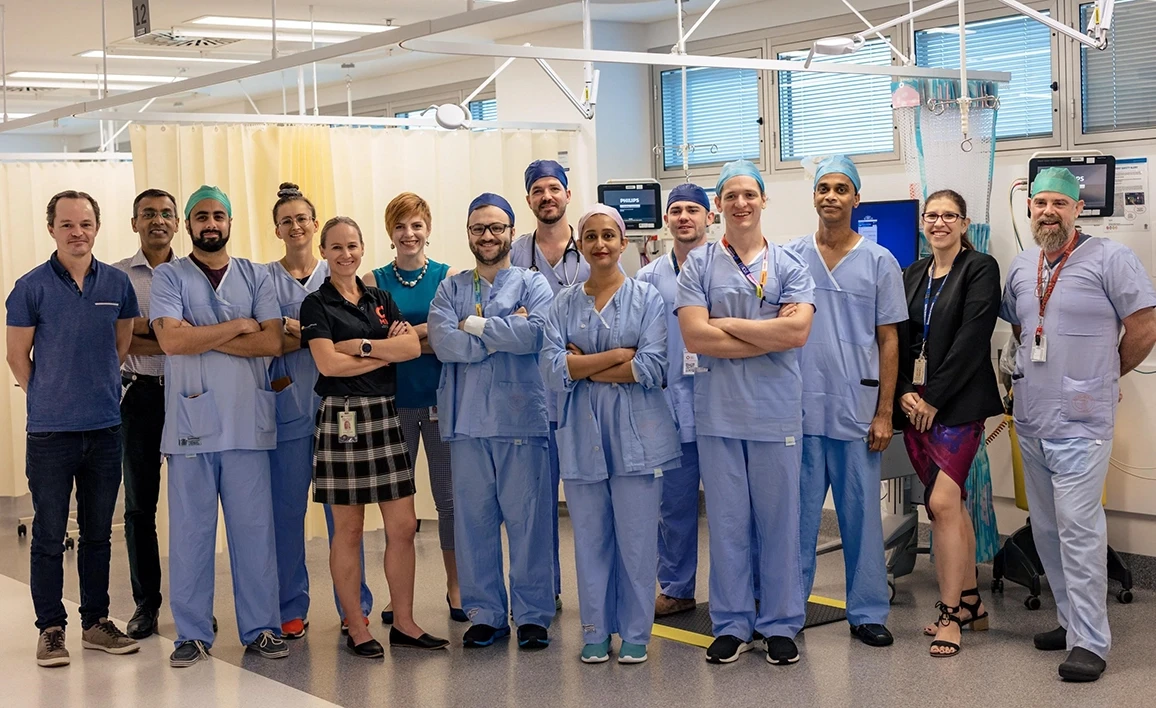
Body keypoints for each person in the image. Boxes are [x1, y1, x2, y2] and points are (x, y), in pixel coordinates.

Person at [1001, 167, 1156, 682]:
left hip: (1083, 423)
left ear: (1078, 209)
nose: (1048, 212)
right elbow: (1024, 326)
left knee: (1079, 531)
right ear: (1030, 209)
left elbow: (1145, 325)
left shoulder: (1112, 258)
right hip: (1032, 418)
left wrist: (1107, 372)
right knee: (1046, 530)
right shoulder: (1023, 266)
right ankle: (1069, 625)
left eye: (1059, 204)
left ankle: (1092, 642)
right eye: (1040, 202)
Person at [676, 160, 815, 666]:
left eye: (749, 194)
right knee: (729, 522)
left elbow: (797, 334)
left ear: (762, 201)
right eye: (730, 195)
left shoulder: (790, 263)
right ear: (719, 205)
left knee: (780, 522)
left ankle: (780, 623)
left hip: (775, 413)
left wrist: (726, 325)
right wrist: (766, 334)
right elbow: (694, 335)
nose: (740, 203)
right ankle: (732, 624)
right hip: (719, 413)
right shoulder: (697, 265)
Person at [150, 185, 288, 668]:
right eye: (201, 216)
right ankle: (191, 633)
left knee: (254, 533)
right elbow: (169, 341)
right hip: (192, 426)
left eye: (219, 216)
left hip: (246, 425)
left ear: (230, 222)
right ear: (188, 224)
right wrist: (236, 326)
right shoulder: (169, 275)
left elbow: (272, 341)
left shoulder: (257, 275)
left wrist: (199, 335)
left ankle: (262, 629)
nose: (211, 224)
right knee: (190, 535)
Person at [301, 216, 449, 657]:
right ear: (324, 253)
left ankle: (403, 621)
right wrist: (382, 354)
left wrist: (362, 348)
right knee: (347, 530)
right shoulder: (316, 305)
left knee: (402, 525)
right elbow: (327, 365)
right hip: (342, 421)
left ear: (363, 248)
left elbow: (408, 349)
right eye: (336, 248)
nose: (345, 255)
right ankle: (357, 625)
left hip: (384, 415)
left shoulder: (380, 298)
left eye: (352, 246)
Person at [6, 190, 141, 667]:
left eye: (85, 223)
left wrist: (96, 384)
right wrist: (44, 396)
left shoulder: (118, 283)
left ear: (97, 228)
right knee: (47, 533)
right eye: (67, 224)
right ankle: (51, 628)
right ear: (52, 230)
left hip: (105, 427)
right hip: (50, 433)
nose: (77, 232)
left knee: (99, 531)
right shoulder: (30, 287)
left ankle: (95, 623)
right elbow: (16, 356)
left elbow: (120, 341)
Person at [542, 205, 681, 664]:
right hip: (583, 436)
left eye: (609, 236)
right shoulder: (562, 302)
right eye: (590, 236)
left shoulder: (647, 299)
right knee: (590, 540)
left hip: (639, 435)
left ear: (625, 244)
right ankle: (595, 630)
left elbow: (653, 366)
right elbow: (552, 368)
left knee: (638, 542)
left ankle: (637, 633)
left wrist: (585, 365)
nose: (600, 244)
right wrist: (617, 355)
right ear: (579, 244)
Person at [787, 155, 907, 648]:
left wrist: (884, 411)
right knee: (795, 520)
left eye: (841, 188)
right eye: (823, 188)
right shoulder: (792, 256)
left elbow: (890, 341)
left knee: (860, 516)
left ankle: (868, 611)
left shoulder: (880, 262)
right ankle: (786, 611)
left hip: (856, 410)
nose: (831, 196)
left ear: (856, 198)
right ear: (813, 196)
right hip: (799, 408)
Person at [427, 193, 556, 650]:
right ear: (468, 233)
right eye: (478, 228)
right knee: (474, 523)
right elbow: (444, 343)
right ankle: (485, 614)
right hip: (465, 424)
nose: (487, 236)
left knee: (529, 523)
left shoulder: (534, 285)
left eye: (497, 228)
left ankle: (534, 615)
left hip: (519, 418)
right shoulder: (451, 287)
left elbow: (536, 334)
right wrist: (503, 329)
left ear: (511, 231)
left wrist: (475, 326)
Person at [895, 189, 1003, 657]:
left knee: (940, 502)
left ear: (964, 223)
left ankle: (949, 614)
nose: (939, 223)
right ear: (924, 222)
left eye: (949, 216)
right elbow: (895, 338)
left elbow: (972, 339)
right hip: (915, 407)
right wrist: (903, 391)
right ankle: (973, 602)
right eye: (932, 215)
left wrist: (932, 398)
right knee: (951, 506)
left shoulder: (980, 269)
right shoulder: (912, 274)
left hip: (957, 407)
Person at [265, 182, 373, 639]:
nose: (295, 226)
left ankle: (354, 608)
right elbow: (267, 338)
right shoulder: (262, 277)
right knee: (287, 513)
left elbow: (363, 339)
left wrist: (303, 330)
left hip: (341, 408)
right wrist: (322, 334)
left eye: (302, 218)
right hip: (288, 406)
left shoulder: (347, 281)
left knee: (345, 516)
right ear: (277, 229)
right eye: (286, 220)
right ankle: (291, 605)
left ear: (314, 224)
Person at [368, 192, 464, 625]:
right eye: (400, 226)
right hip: (393, 405)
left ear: (428, 229)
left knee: (449, 501)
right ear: (390, 233)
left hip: (441, 401)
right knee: (397, 506)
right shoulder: (372, 282)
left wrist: (411, 337)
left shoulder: (449, 278)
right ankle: (398, 597)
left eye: (416, 225)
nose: (409, 234)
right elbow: (375, 347)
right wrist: (420, 341)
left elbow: (452, 335)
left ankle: (456, 586)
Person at [635, 183, 713, 617]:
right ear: (666, 219)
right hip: (669, 411)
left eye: (693, 210)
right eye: (676, 210)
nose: (684, 217)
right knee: (675, 507)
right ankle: (678, 587)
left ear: (708, 218)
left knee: (732, 507)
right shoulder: (648, 278)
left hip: (721, 405)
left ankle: (741, 590)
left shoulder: (726, 268)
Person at [510, 159, 585, 610]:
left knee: (588, 500)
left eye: (554, 188)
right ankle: (544, 592)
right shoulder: (515, 254)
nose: (547, 197)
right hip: (533, 396)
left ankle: (595, 592)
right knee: (536, 505)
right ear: (528, 200)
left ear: (567, 195)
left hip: (584, 394)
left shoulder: (594, 245)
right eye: (538, 190)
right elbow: (500, 317)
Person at [112, 188, 177, 640]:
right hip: (138, 396)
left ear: (177, 223)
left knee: (193, 508)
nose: (158, 220)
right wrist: (171, 334)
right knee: (139, 507)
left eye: (166, 214)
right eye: (148, 214)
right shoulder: (117, 278)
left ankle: (192, 606)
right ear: (135, 222)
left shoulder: (195, 272)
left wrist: (147, 329)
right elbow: (118, 340)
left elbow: (200, 335)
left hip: (189, 397)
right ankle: (145, 605)